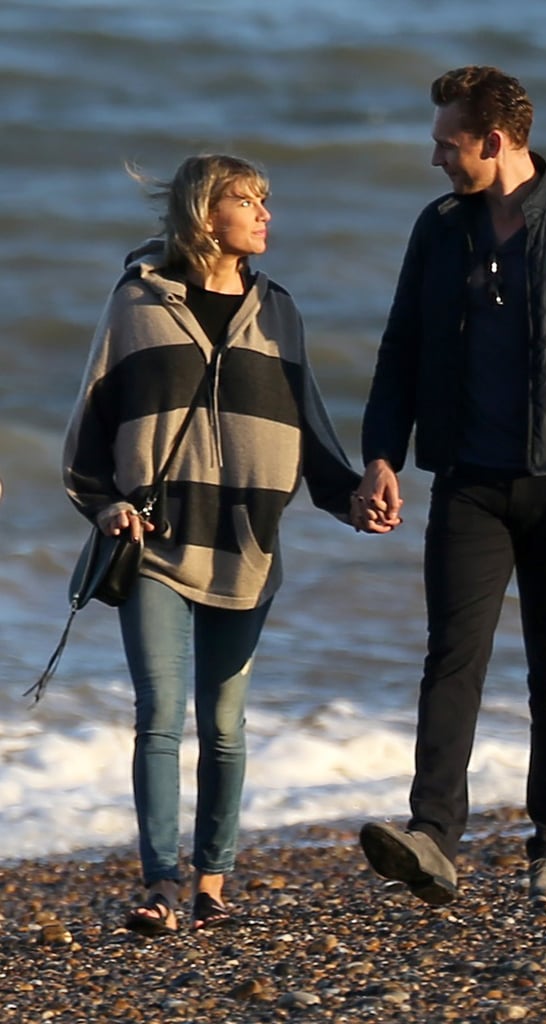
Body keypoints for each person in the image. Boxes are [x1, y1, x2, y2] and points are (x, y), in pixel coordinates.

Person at [352, 65, 546, 903]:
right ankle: (432, 838)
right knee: (451, 661)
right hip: (467, 482)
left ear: (495, 142)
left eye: (447, 146)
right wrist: (382, 454)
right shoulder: (440, 228)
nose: (436, 162)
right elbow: (400, 352)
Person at [63, 154, 361, 933]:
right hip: (157, 540)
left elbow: (312, 425)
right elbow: (92, 417)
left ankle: (213, 885)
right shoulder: (137, 301)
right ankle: (162, 884)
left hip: (246, 545)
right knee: (159, 713)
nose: (265, 215)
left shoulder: (280, 311)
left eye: (266, 202)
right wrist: (101, 506)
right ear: (205, 214)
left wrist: (353, 498)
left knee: (224, 725)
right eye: (247, 202)